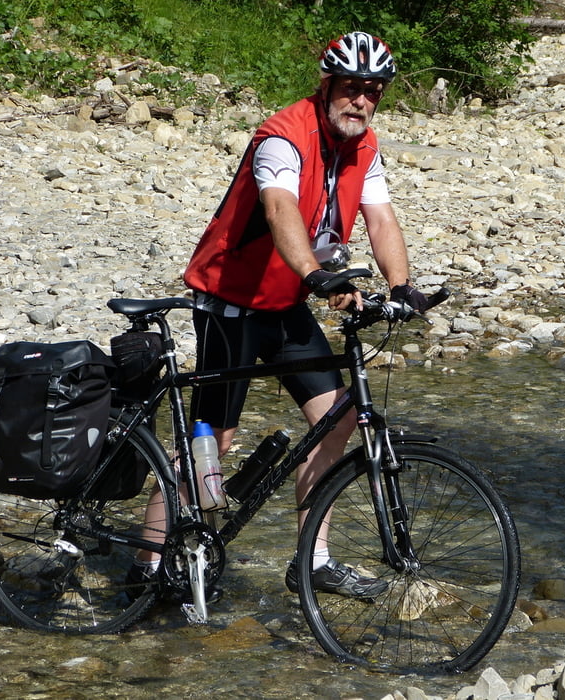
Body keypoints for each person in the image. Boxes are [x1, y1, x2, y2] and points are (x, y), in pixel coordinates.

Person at [181, 32, 428, 599]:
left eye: (373, 91)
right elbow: (279, 209)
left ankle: (312, 561)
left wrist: (402, 286)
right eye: (350, 88)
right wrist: (317, 277)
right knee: (213, 440)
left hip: (285, 304)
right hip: (230, 303)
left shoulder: (364, 147)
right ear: (327, 87)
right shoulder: (283, 138)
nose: (361, 100)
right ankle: (153, 559)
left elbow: (381, 217)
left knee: (340, 415)